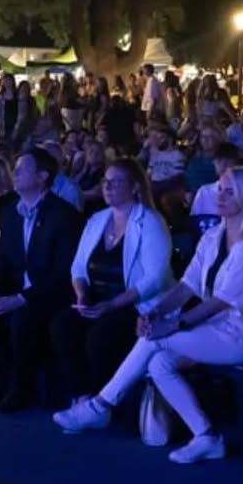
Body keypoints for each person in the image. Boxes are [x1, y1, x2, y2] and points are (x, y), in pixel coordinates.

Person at [49, 167, 243, 464]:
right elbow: (187, 285)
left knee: (158, 342)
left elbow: (221, 301)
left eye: (229, 191)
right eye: (219, 189)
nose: (220, 196)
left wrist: (174, 324)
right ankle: (206, 435)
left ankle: (100, 404)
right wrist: (156, 314)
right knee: (159, 362)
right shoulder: (213, 236)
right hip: (213, 326)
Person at [50, 159, 173, 424]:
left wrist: (114, 304)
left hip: (136, 304)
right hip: (98, 299)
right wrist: (81, 294)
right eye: (105, 181)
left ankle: (101, 401)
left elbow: (156, 277)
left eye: (116, 182)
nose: (107, 186)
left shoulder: (150, 221)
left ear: (134, 187)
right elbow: (79, 267)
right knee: (63, 324)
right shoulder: (97, 220)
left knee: (101, 335)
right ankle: (82, 396)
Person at [0, 147, 82, 412]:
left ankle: (21, 390)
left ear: (42, 176)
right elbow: (3, 259)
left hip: (50, 294)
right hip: (17, 289)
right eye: (14, 168)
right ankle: (1, 381)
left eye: (22, 169)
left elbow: (63, 273)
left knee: (21, 319)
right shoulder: (10, 212)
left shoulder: (64, 215)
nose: (14, 173)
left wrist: (20, 299)